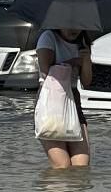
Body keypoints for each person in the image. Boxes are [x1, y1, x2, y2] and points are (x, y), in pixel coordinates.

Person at [36, 28, 92, 169]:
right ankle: (54, 191)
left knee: (82, 166)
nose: (74, 29)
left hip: (74, 99)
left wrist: (86, 61)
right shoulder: (48, 37)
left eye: (78, 24)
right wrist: (72, 62)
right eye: (69, 24)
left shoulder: (83, 43)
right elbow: (45, 72)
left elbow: (87, 82)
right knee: (62, 166)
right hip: (51, 100)